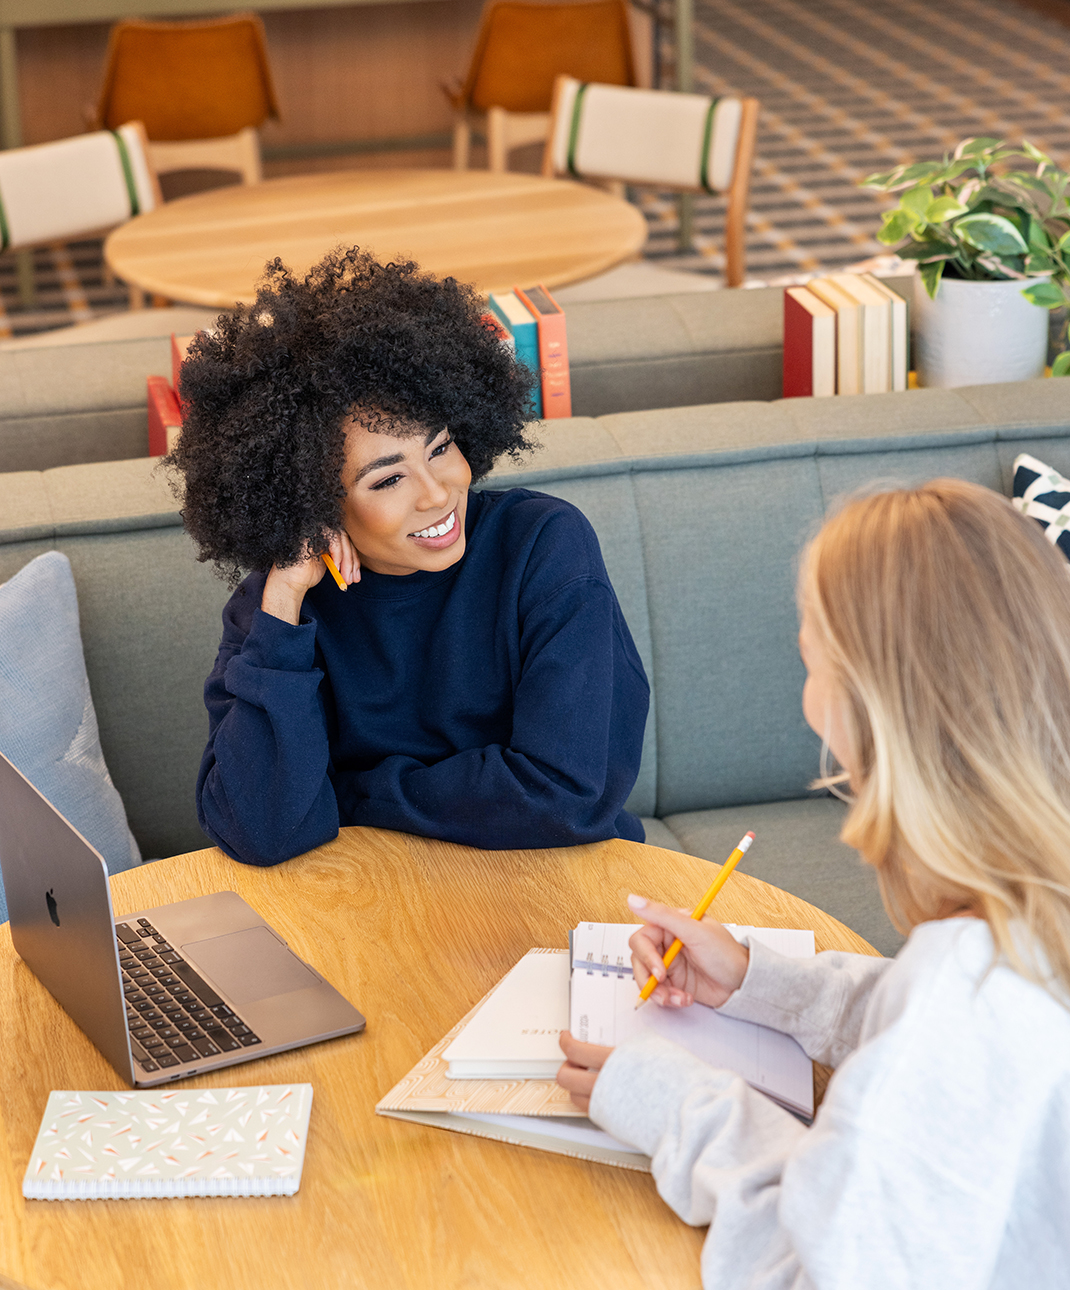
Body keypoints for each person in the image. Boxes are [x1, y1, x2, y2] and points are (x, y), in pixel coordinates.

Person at [557, 479, 1070, 1288]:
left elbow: (819, 1273)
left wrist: (678, 1105)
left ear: (870, 708)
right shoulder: (1026, 924)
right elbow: (936, 1035)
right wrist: (765, 984)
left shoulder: (963, 1001)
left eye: (808, 660)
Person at [166, 247, 649, 867]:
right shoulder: (275, 610)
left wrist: (347, 794)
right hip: (379, 904)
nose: (438, 492)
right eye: (387, 480)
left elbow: (566, 795)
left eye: (441, 446)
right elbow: (259, 829)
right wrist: (284, 605)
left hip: (557, 884)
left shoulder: (542, 546)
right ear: (312, 502)